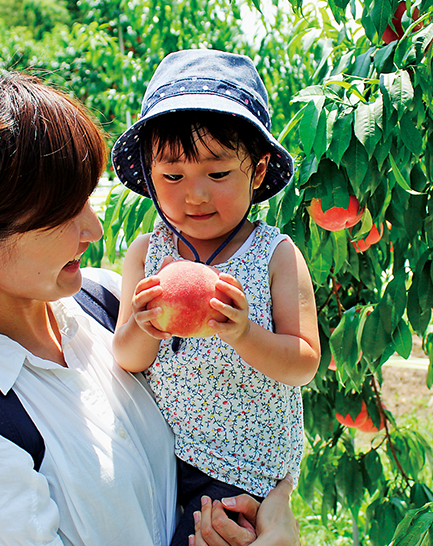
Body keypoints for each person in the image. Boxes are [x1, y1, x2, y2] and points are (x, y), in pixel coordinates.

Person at [0, 65, 297, 546]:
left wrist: (270, 508)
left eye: (88, 198)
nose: (94, 229)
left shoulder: (106, 301)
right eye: (62, 212)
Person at [110, 49, 320, 546]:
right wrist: (143, 326)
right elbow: (126, 357)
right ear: (149, 173)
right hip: (161, 456)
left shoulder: (276, 255)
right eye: (173, 176)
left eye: (218, 174)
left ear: (258, 167)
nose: (195, 195)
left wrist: (245, 333)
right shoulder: (147, 254)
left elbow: (303, 362)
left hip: (241, 472)